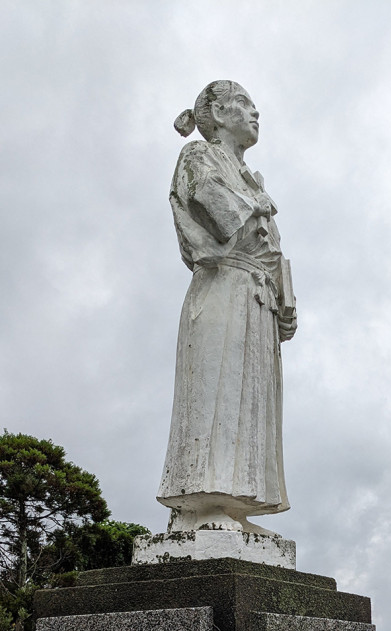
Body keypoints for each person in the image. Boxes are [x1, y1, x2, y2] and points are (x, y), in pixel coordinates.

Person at [157, 80, 297, 534]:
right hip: (221, 287)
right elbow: (222, 218)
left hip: (256, 299)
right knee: (216, 393)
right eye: (243, 103)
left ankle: (235, 504)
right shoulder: (199, 156)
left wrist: (283, 298)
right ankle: (203, 501)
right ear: (216, 114)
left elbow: (271, 249)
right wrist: (258, 203)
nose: (255, 112)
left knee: (251, 400)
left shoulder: (251, 176)